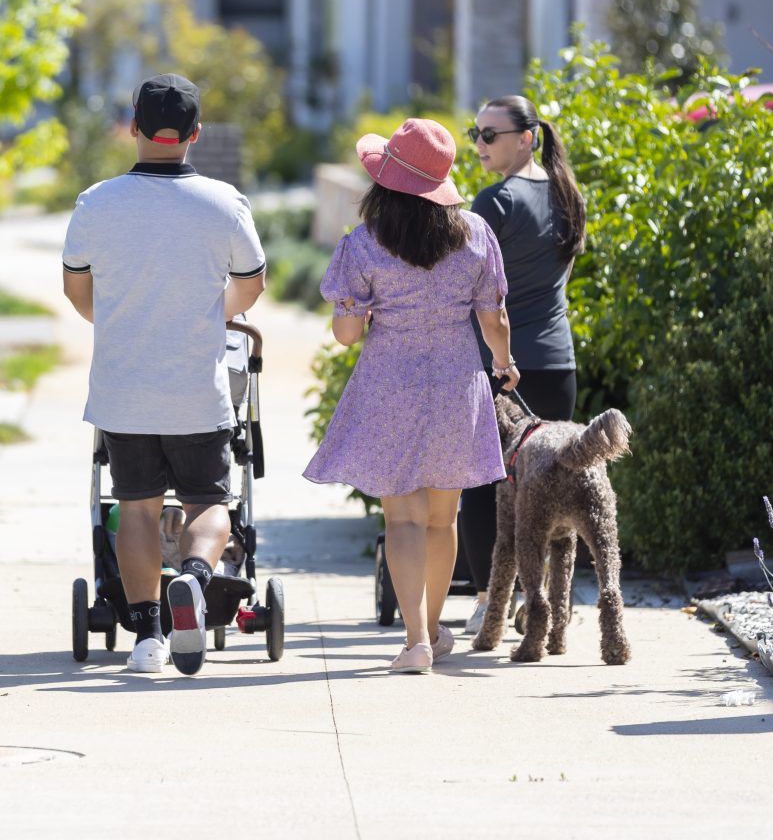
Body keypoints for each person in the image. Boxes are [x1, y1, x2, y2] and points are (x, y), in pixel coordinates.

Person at [62, 73, 266, 676]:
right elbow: (252, 284)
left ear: (133, 128)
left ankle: (148, 637)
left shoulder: (96, 202)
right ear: (195, 134)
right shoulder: (224, 202)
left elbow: (77, 288)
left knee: (137, 506)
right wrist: (206, 314)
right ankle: (198, 580)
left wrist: (123, 319)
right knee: (209, 501)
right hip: (196, 391)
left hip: (123, 391)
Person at [303, 118, 519, 674]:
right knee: (443, 520)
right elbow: (494, 319)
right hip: (457, 381)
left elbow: (348, 334)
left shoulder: (366, 243)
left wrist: (365, 313)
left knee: (401, 519)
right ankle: (434, 628)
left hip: (388, 382)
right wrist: (503, 364)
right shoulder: (474, 233)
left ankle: (417, 639)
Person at [460, 94, 586, 635]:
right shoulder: (568, 196)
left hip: (499, 364)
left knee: (485, 483)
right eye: (476, 134)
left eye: (491, 135)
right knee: (554, 486)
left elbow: (464, 285)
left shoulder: (495, 202)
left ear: (527, 137)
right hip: (558, 363)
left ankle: (493, 598)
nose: (480, 144)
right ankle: (550, 605)